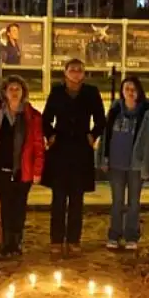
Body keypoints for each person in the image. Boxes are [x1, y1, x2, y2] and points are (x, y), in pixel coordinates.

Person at [41, 59, 106, 257]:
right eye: (72, 70)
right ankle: (56, 239)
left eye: (79, 70)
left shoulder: (91, 92)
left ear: (84, 74)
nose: (76, 73)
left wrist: (93, 135)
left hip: (81, 149)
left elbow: (101, 119)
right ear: (65, 73)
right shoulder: (57, 92)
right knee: (58, 198)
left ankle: (74, 240)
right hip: (60, 149)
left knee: (77, 199)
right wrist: (50, 134)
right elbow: (46, 117)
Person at [0, 75, 44, 257]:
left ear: (23, 92)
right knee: (5, 207)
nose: (14, 92)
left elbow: (38, 145)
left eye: (17, 89)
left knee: (19, 207)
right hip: (1, 168)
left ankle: (16, 242)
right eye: (10, 89)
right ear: (4, 92)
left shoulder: (31, 115)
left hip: (22, 169)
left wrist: (37, 170)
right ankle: (6, 242)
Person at [99, 76, 149, 251]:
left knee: (133, 202)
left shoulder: (146, 115)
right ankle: (114, 235)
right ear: (122, 91)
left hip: (135, 165)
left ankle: (131, 235)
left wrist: (146, 165)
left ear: (139, 92)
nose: (130, 92)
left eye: (133, 89)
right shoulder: (115, 111)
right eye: (127, 89)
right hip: (116, 165)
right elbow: (106, 136)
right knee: (117, 202)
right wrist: (103, 157)